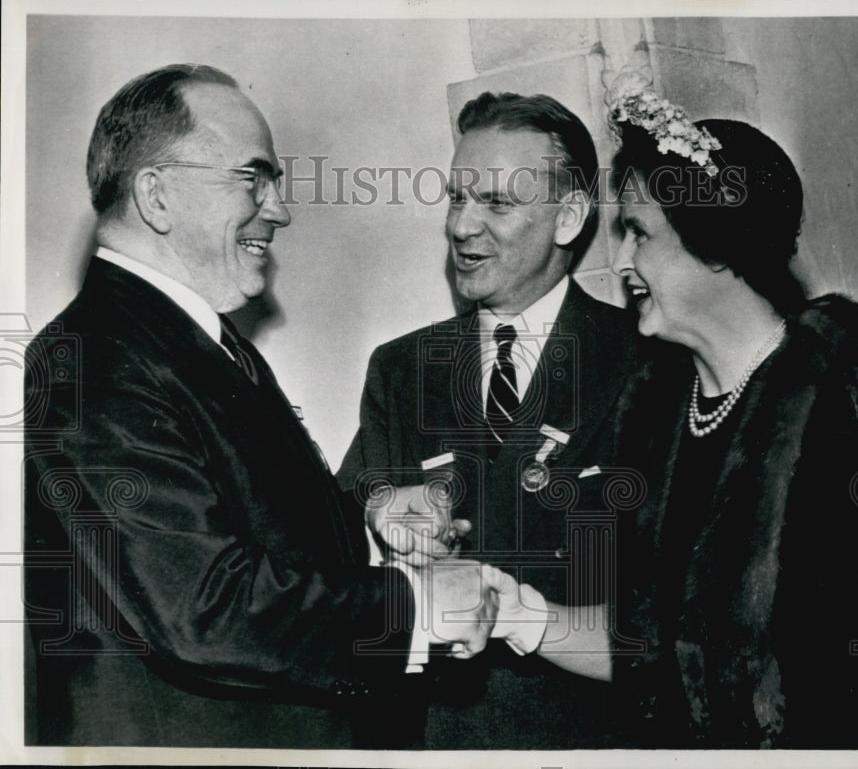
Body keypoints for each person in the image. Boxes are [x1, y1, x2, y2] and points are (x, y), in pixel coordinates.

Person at [22, 63, 501, 749]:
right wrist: (417, 605)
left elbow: (245, 524)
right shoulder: (91, 359)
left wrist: (368, 520)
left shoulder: (195, 340)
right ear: (157, 196)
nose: (278, 208)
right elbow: (201, 605)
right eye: (253, 177)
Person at [337, 91, 639, 749]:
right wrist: (380, 511)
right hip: (431, 738)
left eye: (497, 203)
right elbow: (331, 540)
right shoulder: (401, 369)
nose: (462, 227)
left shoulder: (647, 363)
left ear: (569, 216)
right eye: (456, 198)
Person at [601, 86, 858, 748]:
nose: (621, 264)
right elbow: (642, 642)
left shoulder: (844, 401)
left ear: (716, 247)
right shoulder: (651, 417)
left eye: (638, 233)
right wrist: (512, 609)